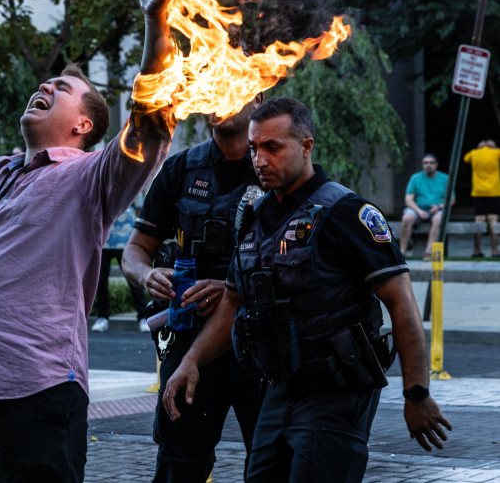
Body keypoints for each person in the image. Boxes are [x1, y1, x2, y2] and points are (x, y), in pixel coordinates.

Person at [0, 0, 174, 482]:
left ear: (83, 125)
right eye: (47, 80)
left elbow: (147, 122)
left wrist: (157, 23)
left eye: (61, 86)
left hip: (35, 397)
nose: (45, 83)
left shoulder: (90, 179)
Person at [165, 97, 452, 482]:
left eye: (273, 148)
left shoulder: (347, 212)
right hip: (279, 388)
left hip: (337, 392)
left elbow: (401, 303)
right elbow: (233, 300)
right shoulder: (254, 216)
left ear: (306, 147)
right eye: (254, 148)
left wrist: (416, 393)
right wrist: (191, 361)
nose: (259, 160)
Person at [122, 94, 266, 481]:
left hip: (261, 346)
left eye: (232, 87)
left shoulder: (276, 166)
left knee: (274, 466)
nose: (220, 97)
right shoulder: (181, 168)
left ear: (259, 97)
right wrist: (146, 275)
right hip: (188, 344)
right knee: (178, 465)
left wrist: (231, 287)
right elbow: (135, 250)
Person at [90, 196, 149, 333]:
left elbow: (139, 210)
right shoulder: (101, 180)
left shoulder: (133, 181)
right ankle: (102, 317)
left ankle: (143, 317)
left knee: (133, 279)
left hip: (126, 238)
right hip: (103, 238)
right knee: (100, 281)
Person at [400, 154, 452, 259]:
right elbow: (408, 200)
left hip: (437, 210)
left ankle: (429, 252)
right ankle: (402, 252)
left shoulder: (445, 178)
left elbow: (451, 200)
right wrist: (418, 211)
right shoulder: (415, 178)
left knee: (439, 219)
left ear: (436, 165)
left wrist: (439, 207)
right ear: (422, 165)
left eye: (431, 163)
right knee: (406, 218)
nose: (428, 165)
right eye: (425, 163)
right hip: (418, 209)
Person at [463, 139, 500, 257]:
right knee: (493, 221)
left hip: (478, 192)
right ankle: (494, 251)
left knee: (479, 219)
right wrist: (494, 148)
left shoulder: (474, 153)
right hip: (494, 191)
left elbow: (466, 159)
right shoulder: (497, 152)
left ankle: (476, 250)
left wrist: (479, 149)